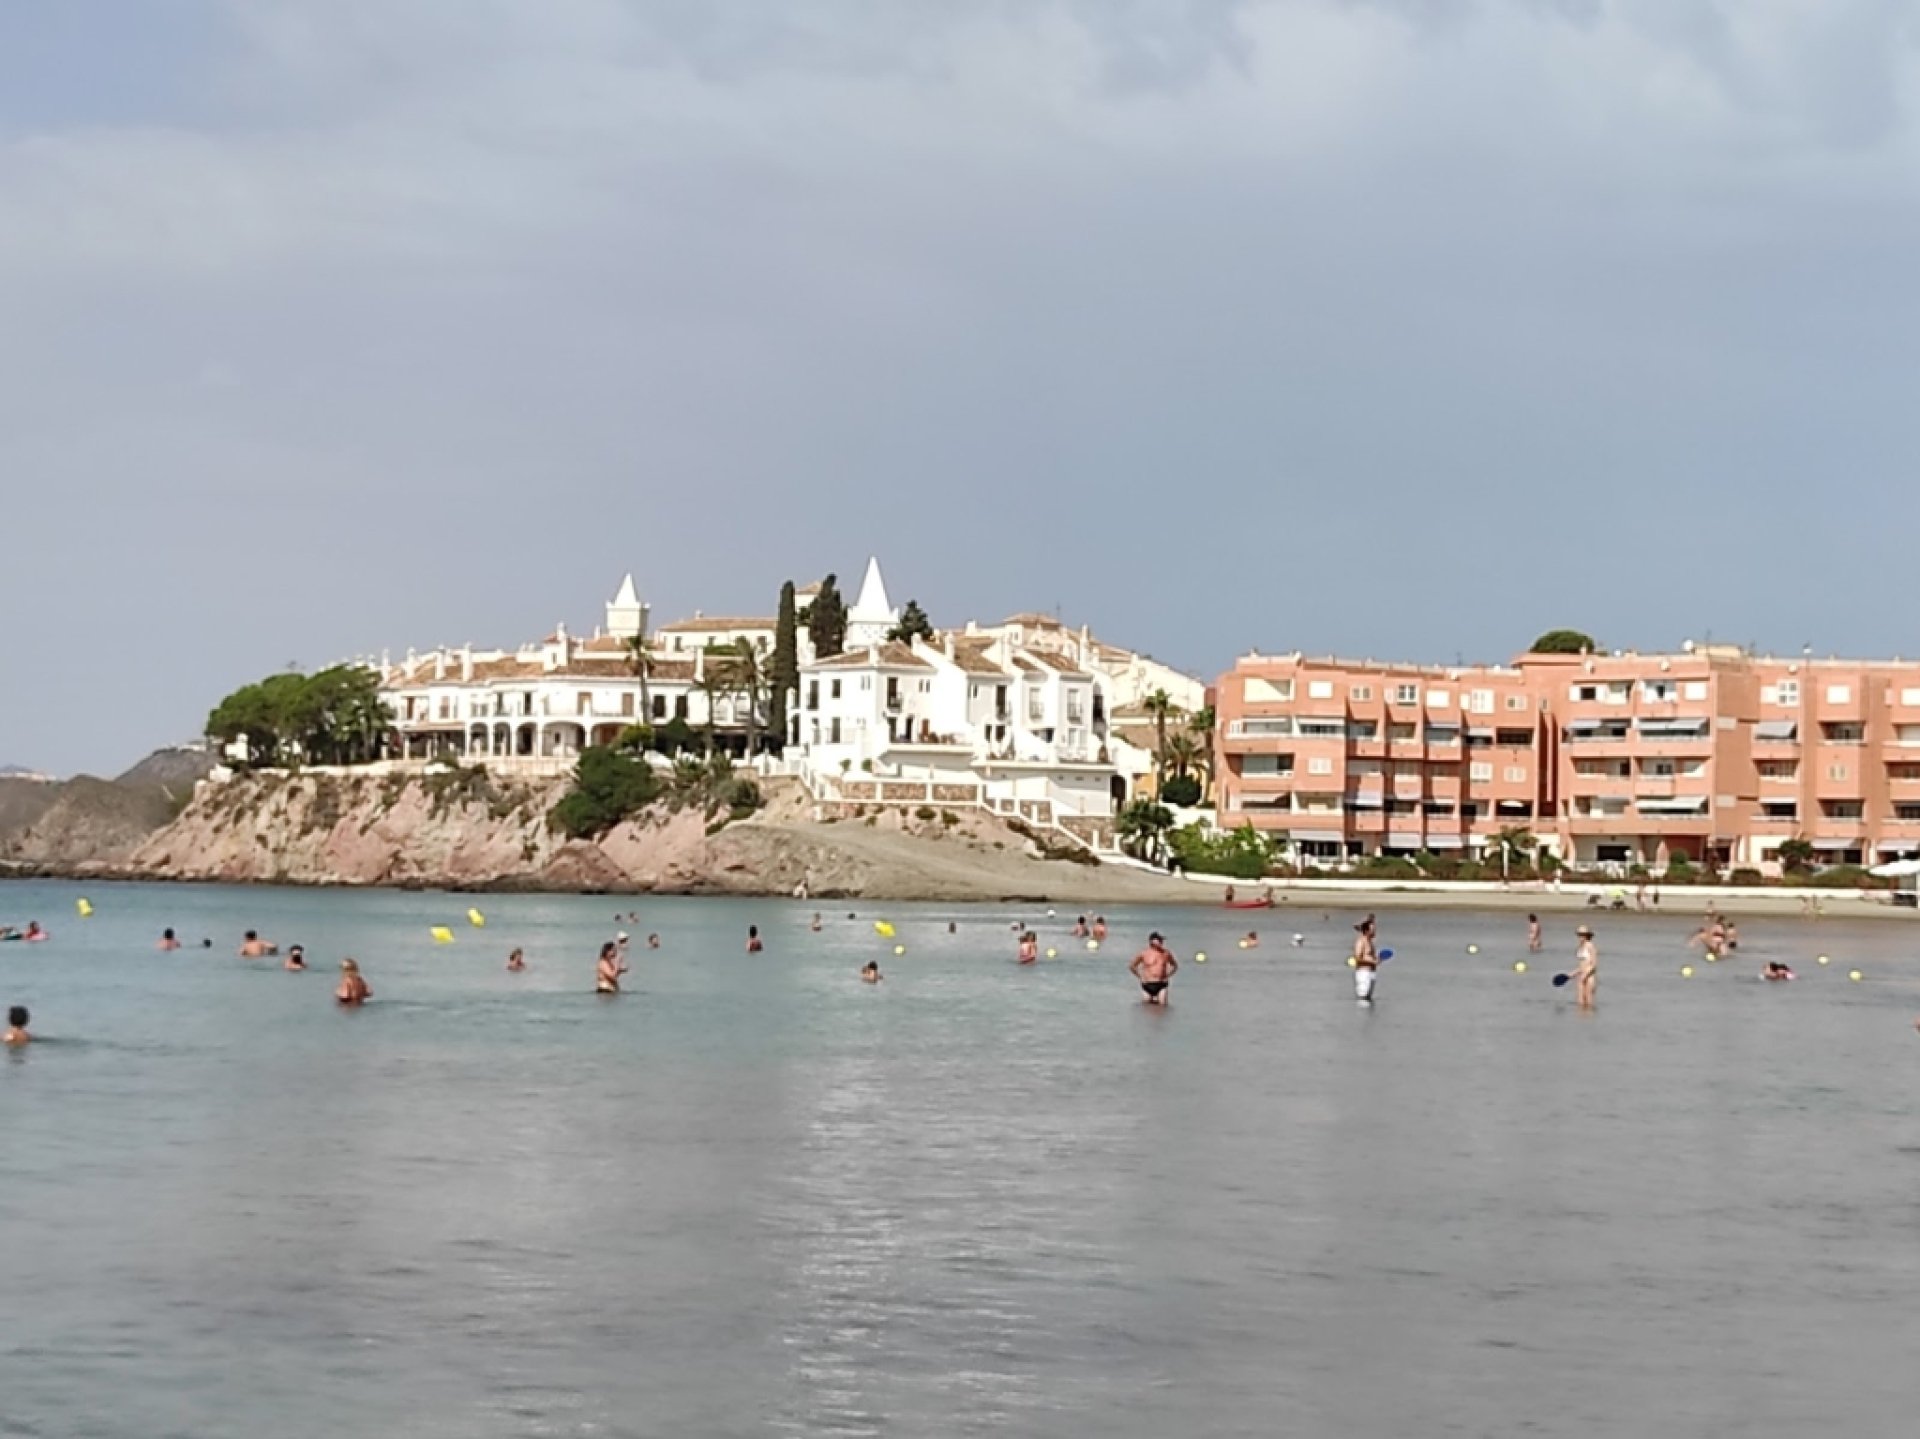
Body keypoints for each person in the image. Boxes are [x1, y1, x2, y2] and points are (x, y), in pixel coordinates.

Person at [1130, 932, 1178, 1005]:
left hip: (1161, 984)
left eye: (1161, 940)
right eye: (1159, 940)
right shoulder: (1144, 953)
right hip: (1147, 984)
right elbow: (1132, 966)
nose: (1161, 941)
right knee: (1146, 1006)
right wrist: (1140, 977)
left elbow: (1175, 966)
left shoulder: (1166, 953)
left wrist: (1168, 975)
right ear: (1152, 941)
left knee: (1163, 1005)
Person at [1352, 918, 1380, 1003]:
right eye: (1372, 930)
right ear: (1367, 931)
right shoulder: (1361, 942)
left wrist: (1377, 959)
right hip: (1363, 974)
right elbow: (1357, 959)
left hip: (1371, 973)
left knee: (1368, 1000)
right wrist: (1372, 962)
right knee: (1363, 999)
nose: (1375, 931)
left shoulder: (1370, 942)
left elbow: (1370, 957)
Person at [1572, 925, 1598, 1010]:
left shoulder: (1590, 946)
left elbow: (1594, 965)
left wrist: (1586, 975)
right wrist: (1572, 974)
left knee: (1589, 1003)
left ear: (1587, 935)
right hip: (1581, 976)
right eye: (1579, 934)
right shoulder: (1579, 947)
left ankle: (1590, 1021)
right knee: (1580, 1003)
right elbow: (1581, 966)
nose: (1580, 936)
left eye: (1583, 934)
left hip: (1589, 976)